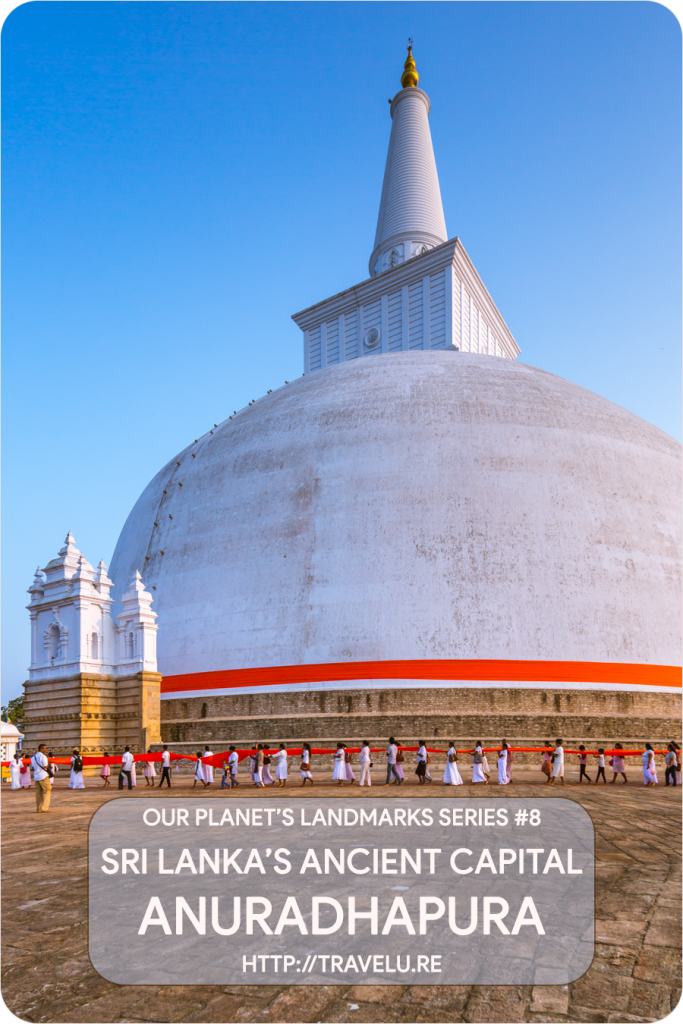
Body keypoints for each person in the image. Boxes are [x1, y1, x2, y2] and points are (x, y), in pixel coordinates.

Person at [31, 744, 52, 812]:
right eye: (45, 749)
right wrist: (49, 763)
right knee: (46, 790)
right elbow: (45, 766)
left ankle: (38, 808)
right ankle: (44, 808)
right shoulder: (43, 756)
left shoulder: (33, 758)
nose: (46, 750)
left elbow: (33, 767)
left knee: (38, 793)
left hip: (36, 776)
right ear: (41, 749)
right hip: (43, 776)